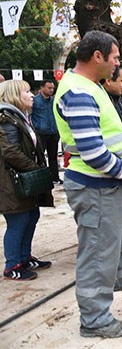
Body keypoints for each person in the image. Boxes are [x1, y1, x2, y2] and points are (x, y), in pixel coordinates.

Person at [53, 30, 122, 338]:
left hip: (107, 184)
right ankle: (95, 318)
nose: (117, 64)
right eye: (114, 57)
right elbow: (94, 153)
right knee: (98, 253)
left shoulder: (91, 86)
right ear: (97, 56)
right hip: (94, 185)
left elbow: (106, 142)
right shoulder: (78, 92)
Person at [0, 79, 54, 280]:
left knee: (31, 216)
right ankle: (12, 265)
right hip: (12, 181)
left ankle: (24, 258)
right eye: (26, 92)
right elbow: (11, 152)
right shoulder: (6, 118)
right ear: (14, 95)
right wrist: (35, 169)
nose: (32, 95)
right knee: (19, 220)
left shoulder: (19, 116)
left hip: (22, 179)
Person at [30, 80, 62, 184]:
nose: (51, 90)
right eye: (49, 88)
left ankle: (55, 177)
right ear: (42, 88)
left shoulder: (54, 101)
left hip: (53, 132)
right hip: (40, 132)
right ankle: (41, 179)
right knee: (40, 156)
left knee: (53, 156)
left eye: (52, 88)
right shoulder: (35, 101)